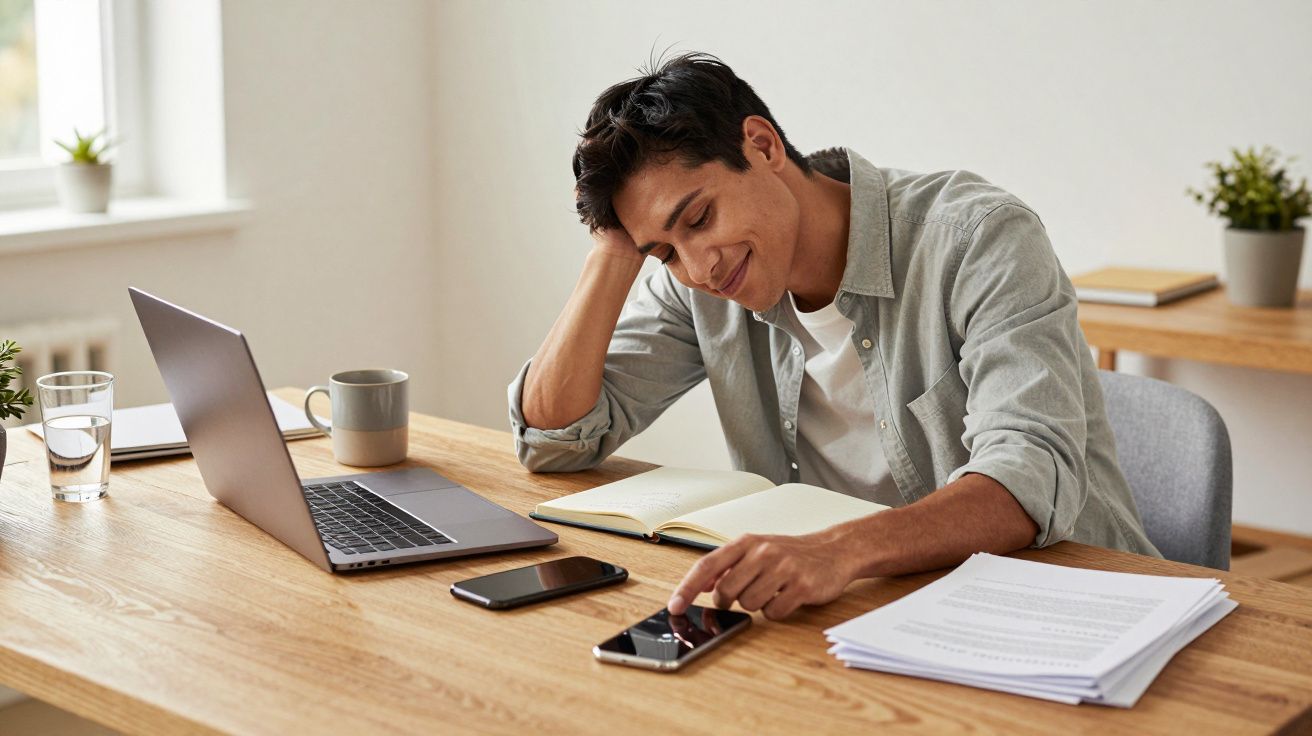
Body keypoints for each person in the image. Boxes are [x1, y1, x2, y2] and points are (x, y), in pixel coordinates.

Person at [507, 52, 1159, 621]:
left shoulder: (975, 238)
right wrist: (615, 253)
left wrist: (841, 549)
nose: (699, 267)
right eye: (666, 252)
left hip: (1069, 606)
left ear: (762, 146)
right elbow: (555, 436)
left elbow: (1026, 477)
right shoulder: (705, 283)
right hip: (867, 614)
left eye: (699, 217)